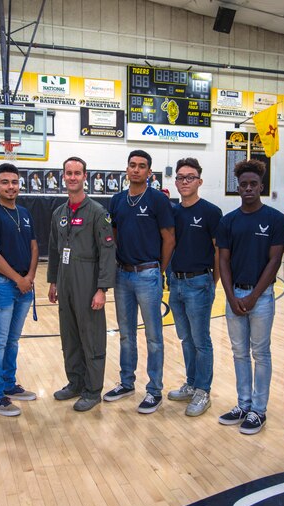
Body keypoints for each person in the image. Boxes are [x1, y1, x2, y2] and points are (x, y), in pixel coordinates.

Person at [217, 160, 284, 434]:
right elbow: (222, 260)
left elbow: (274, 262)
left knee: (260, 352)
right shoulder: (228, 220)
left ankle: (259, 410)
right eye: (243, 185)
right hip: (234, 295)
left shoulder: (275, 219)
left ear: (261, 186)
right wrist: (232, 296)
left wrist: (254, 296)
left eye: (253, 185)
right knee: (238, 353)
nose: (248, 189)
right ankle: (243, 404)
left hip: (262, 297)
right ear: (238, 187)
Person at [104, 150, 175, 414]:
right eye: (132, 165)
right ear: (127, 169)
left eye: (141, 166)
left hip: (148, 273)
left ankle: (154, 390)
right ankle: (126, 383)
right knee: (126, 334)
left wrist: (158, 269)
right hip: (123, 275)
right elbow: (113, 234)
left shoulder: (158, 200)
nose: (136, 170)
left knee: (154, 336)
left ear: (149, 172)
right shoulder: (117, 200)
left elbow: (169, 238)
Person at [47, 157, 116, 412]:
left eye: (77, 173)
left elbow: (108, 252)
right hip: (64, 279)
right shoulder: (58, 213)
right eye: (68, 173)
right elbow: (54, 250)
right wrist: (53, 281)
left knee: (92, 336)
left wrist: (102, 289)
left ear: (85, 176)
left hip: (88, 280)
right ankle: (75, 382)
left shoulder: (98, 212)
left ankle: (92, 389)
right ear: (63, 176)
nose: (72, 177)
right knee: (70, 335)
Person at [0, 163, 38, 417]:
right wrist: (17, 278)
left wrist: (30, 276)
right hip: (0, 284)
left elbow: (34, 247)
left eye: (14, 182)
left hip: (25, 284)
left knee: (12, 340)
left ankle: (9, 384)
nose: (10, 186)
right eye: (5, 182)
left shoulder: (24, 212)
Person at [166, 158, 222, 417]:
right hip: (175, 282)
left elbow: (219, 252)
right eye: (180, 177)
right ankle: (191, 383)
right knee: (186, 338)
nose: (185, 181)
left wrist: (213, 282)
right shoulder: (172, 211)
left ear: (199, 181)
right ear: (175, 182)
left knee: (201, 340)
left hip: (199, 282)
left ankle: (203, 390)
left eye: (190, 177)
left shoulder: (211, 212)